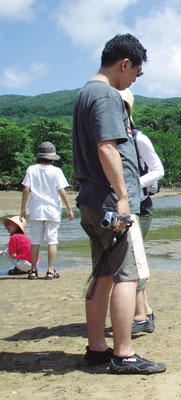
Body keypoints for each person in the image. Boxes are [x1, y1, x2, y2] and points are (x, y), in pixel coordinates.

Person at [72, 33, 165, 374]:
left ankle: (97, 348)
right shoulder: (107, 94)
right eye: (135, 74)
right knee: (127, 276)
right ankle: (124, 354)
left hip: (92, 199)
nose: (134, 81)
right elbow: (107, 148)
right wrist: (124, 197)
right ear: (124, 64)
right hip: (112, 202)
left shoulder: (84, 94)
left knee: (103, 274)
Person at [118, 88, 164, 334]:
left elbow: (158, 170)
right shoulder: (110, 138)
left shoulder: (138, 139)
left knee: (133, 259)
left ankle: (142, 314)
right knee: (132, 259)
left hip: (140, 207)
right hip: (121, 207)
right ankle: (144, 313)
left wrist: (132, 185)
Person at [20, 141, 74, 280]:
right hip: (52, 210)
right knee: (52, 240)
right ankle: (50, 271)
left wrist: (23, 209)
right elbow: (61, 191)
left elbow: (26, 189)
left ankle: (33, 271)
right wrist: (69, 208)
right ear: (52, 158)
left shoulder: (31, 169)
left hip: (36, 209)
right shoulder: (56, 171)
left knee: (35, 241)